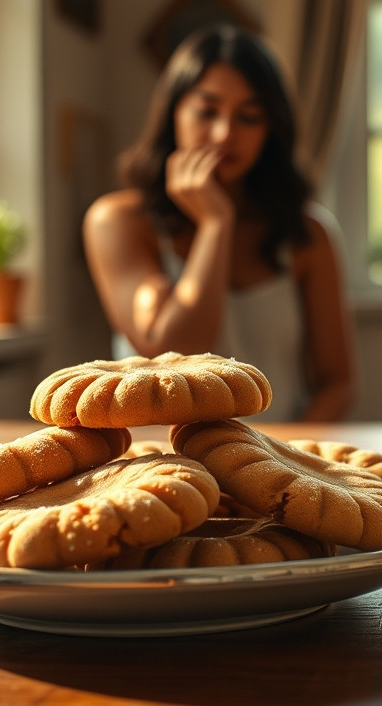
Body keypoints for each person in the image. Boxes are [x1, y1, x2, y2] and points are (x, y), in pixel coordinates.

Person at [84, 25, 355, 422]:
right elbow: (171, 354)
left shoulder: (309, 234)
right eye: (207, 111)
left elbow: (338, 382)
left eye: (249, 116)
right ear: (173, 112)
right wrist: (215, 224)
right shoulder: (118, 221)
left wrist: (284, 457)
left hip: (273, 463)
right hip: (157, 462)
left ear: (270, 129)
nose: (225, 133)